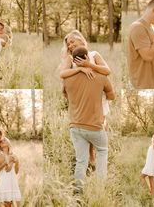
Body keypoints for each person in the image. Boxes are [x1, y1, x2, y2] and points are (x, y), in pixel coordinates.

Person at [63, 46, 115, 193]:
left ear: (73, 60)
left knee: (81, 160)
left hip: (75, 126)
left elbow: (65, 95)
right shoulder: (101, 77)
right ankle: (99, 189)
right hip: (94, 126)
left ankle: (77, 192)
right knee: (102, 151)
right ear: (87, 57)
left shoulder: (67, 79)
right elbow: (112, 96)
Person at [60, 30, 111, 171]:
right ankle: (91, 158)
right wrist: (80, 70)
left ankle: (96, 155)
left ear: (81, 40)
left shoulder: (94, 55)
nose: (70, 45)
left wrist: (89, 65)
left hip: (99, 98)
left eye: (72, 42)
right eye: (68, 44)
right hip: (81, 99)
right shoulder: (70, 59)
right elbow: (62, 74)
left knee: (100, 126)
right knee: (86, 126)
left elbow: (107, 70)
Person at [128, 0, 154, 89]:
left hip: (152, 80)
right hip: (142, 83)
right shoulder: (138, 27)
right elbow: (148, 56)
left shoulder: (152, 27)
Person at [0, 137, 21, 207]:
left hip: (13, 181)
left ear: (8, 142)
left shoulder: (13, 155)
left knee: (18, 203)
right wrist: (7, 161)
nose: (2, 141)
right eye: (1, 141)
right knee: (7, 204)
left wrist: (17, 162)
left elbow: (16, 171)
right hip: (4, 181)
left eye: (4, 140)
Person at [140, 132, 154, 196]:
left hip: (151, 164)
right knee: (151, 179)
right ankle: (152, 193)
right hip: (149, 163)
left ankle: (148, 191)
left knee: (142, 176)